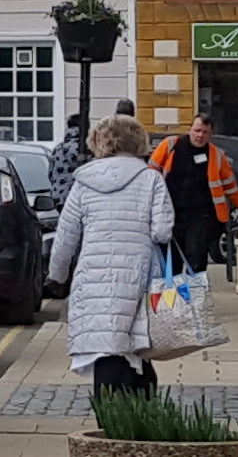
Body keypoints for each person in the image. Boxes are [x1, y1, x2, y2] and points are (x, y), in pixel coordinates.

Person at [47, 112, 173, 396]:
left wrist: (57, 276)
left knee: (105, 346)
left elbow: (66, 237)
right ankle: (140, 416)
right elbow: (163, 232)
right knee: (136, 345)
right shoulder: (150, 180)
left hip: (94, 277)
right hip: (139, 275)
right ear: (139, 142)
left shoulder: (83, 183)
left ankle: (110, 424)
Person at [157, 120, 231, 273]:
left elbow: (230, 185)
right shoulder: (171, 145)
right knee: (170, 263)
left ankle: (196, 294)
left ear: (211, 135)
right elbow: (151, 172)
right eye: (197, 130)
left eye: (205, 132)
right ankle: (173, 294)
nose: (200, 135)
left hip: (201, 215)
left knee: (196, 259)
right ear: (189, 129)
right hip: (170, 213)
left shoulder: (216, 155)